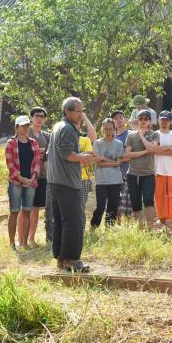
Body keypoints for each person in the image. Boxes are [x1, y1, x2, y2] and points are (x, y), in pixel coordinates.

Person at [48, 97, 97, 273]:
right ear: (67, 112)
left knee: (61, 221)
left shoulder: (57, 127)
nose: (81, 115)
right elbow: (67, 154)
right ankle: (71, 259)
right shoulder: (67, 128)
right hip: (67, 182)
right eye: (78, 111)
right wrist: (83, 158)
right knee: (73, 222)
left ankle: (61, 258)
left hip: (56, 181)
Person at [141, 111, 172, 234]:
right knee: (160, 199)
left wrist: (158, 150)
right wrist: (167, 148)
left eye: (166, 120)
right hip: (157, 171)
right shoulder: (154, 134)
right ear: (159, 121)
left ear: (170, 122)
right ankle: (163, 226)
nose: (164, 122)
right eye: (162, 119)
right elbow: (151, 149)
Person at [5, 116, 42, 251]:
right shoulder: (10, 143)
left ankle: (24, 243)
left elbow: (38, 161)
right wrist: (21, 178)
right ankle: (11, 243)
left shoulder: (34, 143)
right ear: (16, 127)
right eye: (22, 126)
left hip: (31, 182)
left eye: (27, 125)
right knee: (14, 212)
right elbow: (10, 164)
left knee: (27, 211)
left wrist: (33, 177)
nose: (25, 128)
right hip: (16, 182)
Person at [16, 107, 51, 246]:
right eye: (36, 115)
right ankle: (20, 239)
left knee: (35, 208)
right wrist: (40, 151)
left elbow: (49, 154)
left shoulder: (47, 136)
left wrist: (39, 152)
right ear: (30, 117)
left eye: (42, 116)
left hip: (42, 175)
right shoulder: (25, 131)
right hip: (24, 175)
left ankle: (31, 238)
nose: (39, 118)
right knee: (23, 208)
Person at [125, 109, 158, 227]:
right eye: (140, 119)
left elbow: (153, 149)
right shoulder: (130, 136)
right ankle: (140, 228)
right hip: (133, 173)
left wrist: (141, 135)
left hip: (148, 173)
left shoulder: (154, 134)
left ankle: (150, 227)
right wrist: (144, 152)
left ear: (149, 121)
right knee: (135, 202)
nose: (143, 121)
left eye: (145, 119)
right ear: (137, 120)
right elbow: (128, 154)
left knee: (148, 201)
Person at [91, 118, 124, 228]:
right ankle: (94, 226)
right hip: (101, 180)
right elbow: (99, 163)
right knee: (100, 206)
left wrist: (104, 159)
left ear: (114, 129)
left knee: (113, 207)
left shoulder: (119, 143)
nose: (108, 131)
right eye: (106, 129)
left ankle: (109, 229)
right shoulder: (97, 143)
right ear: (102, 129)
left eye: (110, 129)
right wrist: (113, 162)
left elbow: (119, 163)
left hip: (116, 180)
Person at [78, 113, 98, 231]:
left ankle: (81, 231)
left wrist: (84, 117)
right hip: (67, 178)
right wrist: (82, 157)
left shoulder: (84, 139)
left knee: (81, 207)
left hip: (84, 178)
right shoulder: (63, 136)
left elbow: (89, 158)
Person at [112, 110, 133, 223]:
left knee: (127, 203)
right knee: (115, 201)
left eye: (121, 117)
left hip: (127, 172)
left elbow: (129, 155)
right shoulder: (111, 135)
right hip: (113, 174)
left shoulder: (130, 134)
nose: (118, 120)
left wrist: (115, 159)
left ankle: (129, 228)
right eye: (115, 118)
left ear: (125, 119)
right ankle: (117, 227)